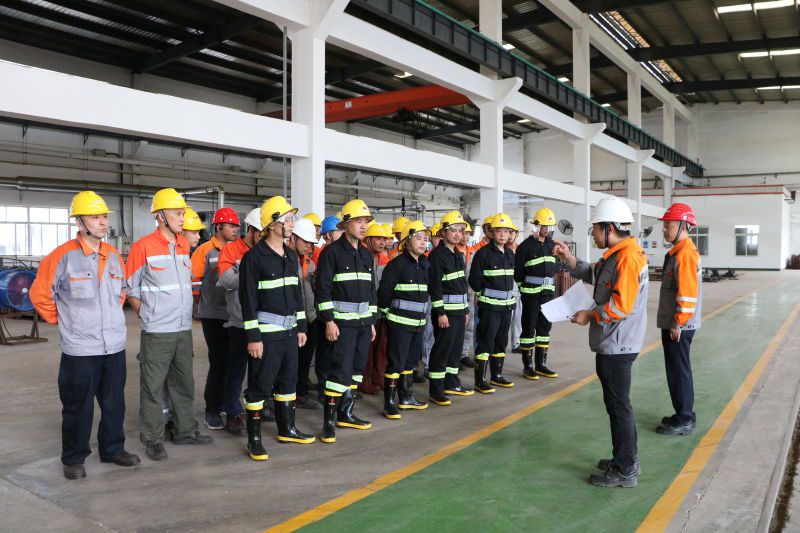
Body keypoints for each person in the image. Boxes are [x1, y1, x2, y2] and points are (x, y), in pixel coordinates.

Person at [30, 191, 140, 480]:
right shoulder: (62, 256)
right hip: (80, 349)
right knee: (78, 405)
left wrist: (109, 321)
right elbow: (40, 295)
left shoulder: (114, 256)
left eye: (104, 217)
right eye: (95, 217)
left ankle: (113, 449)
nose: (103, 222)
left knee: (114, 402)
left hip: (113, 345)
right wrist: (67, 322)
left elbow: (121, 293)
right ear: (79, 223)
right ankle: (74, 458)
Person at [553, 196, 648, 488]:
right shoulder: (619, 254)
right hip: (616, 340)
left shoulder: (628, 258)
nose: (592, 234)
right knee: (617, 405)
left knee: (619, 406)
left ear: (609, 228)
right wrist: (569, 260)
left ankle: (626, 468)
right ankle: (625, 458)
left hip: (618, 342)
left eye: (595, 228)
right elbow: (597, 275)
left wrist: (590, 315)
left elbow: (622, 306)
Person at [126, 188, 212, 462]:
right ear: (161, 216)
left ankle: (185, 430)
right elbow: (130, 288)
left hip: (183, 329)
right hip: (157, 331)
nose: (182, 218)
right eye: (177, 213)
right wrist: (147, 315)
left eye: (183, 213)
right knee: (152, 387)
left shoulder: (183, 245)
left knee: (183, 382)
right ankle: (153, 438)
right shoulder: (143, 247)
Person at [239, 196, 315, 461]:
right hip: (266, 335)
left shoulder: (290, 256)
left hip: (290, 333)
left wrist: (302, 326)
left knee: (288, 383)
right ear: (272, 224)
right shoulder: (254, 258)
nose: (292, 223)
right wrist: (253, 337)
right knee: (260, 386)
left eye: (292, 218)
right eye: (288, 219)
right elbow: (248, 300)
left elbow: (296, 295)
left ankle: (287, 429)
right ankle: (254, 440)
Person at [315, 199, 377, 443]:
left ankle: (346, 414)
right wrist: (329, 321)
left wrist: (371, 321)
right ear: (345, 224)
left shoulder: (366, 254)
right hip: (342, 325)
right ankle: (328, 423)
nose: (363, 226)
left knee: (356, 370)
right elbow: (323, 290)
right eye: (358, 221)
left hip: (362, 324)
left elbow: (371, 291)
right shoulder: (331, 253)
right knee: (338, 372)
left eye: (366, 221)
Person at [191, 207, 240, 430]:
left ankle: (228, 405)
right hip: (213, 314)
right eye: (231, 226)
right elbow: (194, 280)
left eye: (237, 226)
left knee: (233, 362)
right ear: (218, 227)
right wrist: (196, 304)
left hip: (234, 314)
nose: (235, 230)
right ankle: (212, 409)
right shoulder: (205, 251)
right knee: (219, 362)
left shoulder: (238, 250)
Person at [656, 203, 702, 436]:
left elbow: (687, 293)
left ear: (683, 226)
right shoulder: (679, 252)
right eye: (665, 225)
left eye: (669, 225)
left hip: (679, 325)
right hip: (678, 322)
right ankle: (684, 413)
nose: (664, 229)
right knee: (679, 369)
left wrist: (678, 322)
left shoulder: (684, 255)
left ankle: (684, 419)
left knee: (678, 371)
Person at [216, 208, 263, 434]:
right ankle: (233, 412)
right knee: (236, 369)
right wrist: (249, 267)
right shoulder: (231, 249)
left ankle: (256, 406)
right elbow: (226, 281)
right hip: (239, 320)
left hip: (263, 319)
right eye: (261, 232)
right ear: (251, 230)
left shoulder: (268, 250)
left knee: (259, 368)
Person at [378, 220, 431, 418]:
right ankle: (389, 403)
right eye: (418, 238)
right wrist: (387, 315)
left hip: (418, 324)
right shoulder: (396, 265)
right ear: (407, 242)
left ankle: (406, 397)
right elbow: (384, 293)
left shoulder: (425, 264)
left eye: (425, 239)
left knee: (410, 362)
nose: (423, 242)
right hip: (399, 324)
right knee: (396, 363)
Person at [468, 213, 517, 393]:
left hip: (506, 306)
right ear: (492, 232)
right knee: (485, 341)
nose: (503, 235)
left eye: (506, 231)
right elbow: (474, 280)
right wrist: (485, 293)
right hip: (489, 307)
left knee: (501, 341)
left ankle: (496, 376)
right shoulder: (483, 254)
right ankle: (480, 380)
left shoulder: (510, 254)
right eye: (499, 231)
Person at [428, 211, 473, 404]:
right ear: (444, 232)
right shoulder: (437, 256)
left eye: (460, 230)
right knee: (442, 350)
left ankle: (452, 383)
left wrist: (465, 311)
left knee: (455, 350)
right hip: (445, 313)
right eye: (453, 230)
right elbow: (435, 287)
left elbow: (461, 286)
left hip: (458, 312)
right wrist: (440, 313)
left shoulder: (457, 254)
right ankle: (436, 390)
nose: (457, 234)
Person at [514, 207, 559, 380]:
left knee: (544, 329)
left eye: (549, 226)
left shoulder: (552, 246)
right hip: (530, 296)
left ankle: (541, 365)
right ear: (537, 225)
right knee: (528, 329)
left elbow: (554, 269)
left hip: (547, 295)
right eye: (544, 226)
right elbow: (518, 273)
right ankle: (528, 367)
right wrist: (524, 289)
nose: (547, 229)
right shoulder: (525, 246)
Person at [287, 217, 322, 410]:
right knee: (289, 362)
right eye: (305, 241)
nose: (309, 246)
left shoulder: (310, 263)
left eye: (311, 243)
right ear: (293, 238)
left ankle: (301, 394)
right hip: (291, 320)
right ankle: (285, 397)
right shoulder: (284, 261)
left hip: (311, 318)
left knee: (305, 361)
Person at [360, 222, 391, 395]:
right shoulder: (360, 257)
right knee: (368, 347)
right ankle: (365, 380)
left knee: (381, 346)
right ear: (368, 240)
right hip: (365, 310)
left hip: (381, 310)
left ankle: (379, 377)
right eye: (378, 238)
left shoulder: (385, 261)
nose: (382, 242)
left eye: (384, 239)